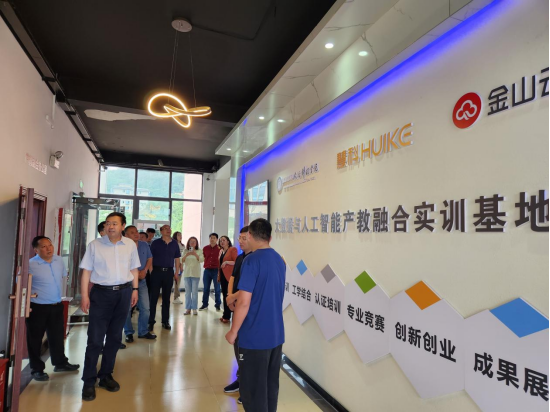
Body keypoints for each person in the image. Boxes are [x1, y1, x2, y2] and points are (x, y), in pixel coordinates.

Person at [225, 219, 286, 412]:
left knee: (252, 391)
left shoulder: (251, 260)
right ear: (270, 238)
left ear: (250, 235)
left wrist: (233, 331)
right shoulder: (279, 259)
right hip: (276, 335)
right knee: (269, 387)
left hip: (254, 337)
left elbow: (244, 302)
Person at [80, 212, 140, 402]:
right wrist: (84, 296)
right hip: (101, 294)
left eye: (114, 223)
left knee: (114, 338)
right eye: (108, 223)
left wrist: (135, 290)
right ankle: (88, 381)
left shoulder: (130, 244)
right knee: (95, 340)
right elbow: (86, 272)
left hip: (124, 293)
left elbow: (134, 269)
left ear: (122, 226)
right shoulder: (95, 245)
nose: (110, 226)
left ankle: (105, 375)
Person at [26, 236, 80, 382]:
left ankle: (60, 363)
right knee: (35, 339)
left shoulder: (59, 260)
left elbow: (61, 278)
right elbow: (22, 284)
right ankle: (36, 369)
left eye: (50, 245)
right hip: (37, 307)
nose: (48, 248)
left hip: (56, 305)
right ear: (36, 250)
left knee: (56, 336)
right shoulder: (30, 264)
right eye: (44, 246)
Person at [224, 227, 252, 399]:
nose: (240, 241)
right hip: (237, 305)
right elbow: (233, 278)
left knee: (248, 348)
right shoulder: (241, 258)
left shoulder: (255, 260)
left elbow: (249, 289)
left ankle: (248, 386)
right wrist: (229, 296)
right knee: (239, 345)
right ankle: (241, 378)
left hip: (248, 308)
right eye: (239, 237)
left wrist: (233, 297)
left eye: (244, 238)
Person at [123, 226, 157, 343]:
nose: (136, 234)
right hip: (126, 282)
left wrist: (145, 270)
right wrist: (134, 273)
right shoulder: (122, 246)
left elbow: (150, 258)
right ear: (126, 235)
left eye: (136, 232)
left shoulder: (144, 245)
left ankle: (143, 331)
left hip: (142, 281)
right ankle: (128, 332)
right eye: (132, 232)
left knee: (146, 308)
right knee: (127, 309)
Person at [149, 225, 181, 331]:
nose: (168, 230)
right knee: (153, 298)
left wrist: (177, 272)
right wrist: (151, 271)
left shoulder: (174, 243)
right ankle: (151, 321)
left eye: (169, 228)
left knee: (166, 298)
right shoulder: (155, 243)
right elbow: (150, 257)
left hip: (169, 272)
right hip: (156, 271)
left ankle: (165, 321)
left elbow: (177, 258)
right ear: (161, 231)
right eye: (166, 229)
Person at [181, 237, 204, 316]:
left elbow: (201, 260)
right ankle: (188, 309)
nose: (192, 243)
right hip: (187, 274)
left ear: (196, 243)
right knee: (187, 293)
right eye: (191, 241)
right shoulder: (185, 251)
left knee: (194, 292)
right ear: (188, 242)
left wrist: (195, 254)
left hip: (195, 274)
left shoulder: (199, 251)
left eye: (194, 242)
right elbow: (181, 260)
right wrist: (186, 255)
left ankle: (194, 308)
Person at [199, 233, 222, 312]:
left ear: (217, 239)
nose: (212, 239)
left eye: (214, 238)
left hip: (216, 270)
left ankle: (218, 304)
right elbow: (203, 258)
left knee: (217, 289)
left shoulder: (220, 249)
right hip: (207, 270)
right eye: (211, 238)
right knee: (206, 288)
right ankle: (205, 304)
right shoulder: (205, 248)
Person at [218, 236, 238, 324]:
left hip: (230, 276)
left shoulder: (232, 249)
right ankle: (225, 315)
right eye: (220, 241)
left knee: (229, 295)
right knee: (224, 295)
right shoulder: (221, 251)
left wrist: (227, 262)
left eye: (224, 240)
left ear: (228, 241)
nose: (222, 242)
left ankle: (230, 315)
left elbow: (236, 261)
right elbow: (219, 264)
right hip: (222, 275)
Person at [172, 232, 185, 305]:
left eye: (181, 235)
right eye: (178, 235)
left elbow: (182, 257)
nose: (180, 236)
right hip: (171, 266)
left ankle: (176, 298)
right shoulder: (172, 244)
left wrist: (181, 265)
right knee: (168, 284)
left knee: (177, 283)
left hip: (179, 267)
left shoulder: (183, 246)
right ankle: (165, 299)